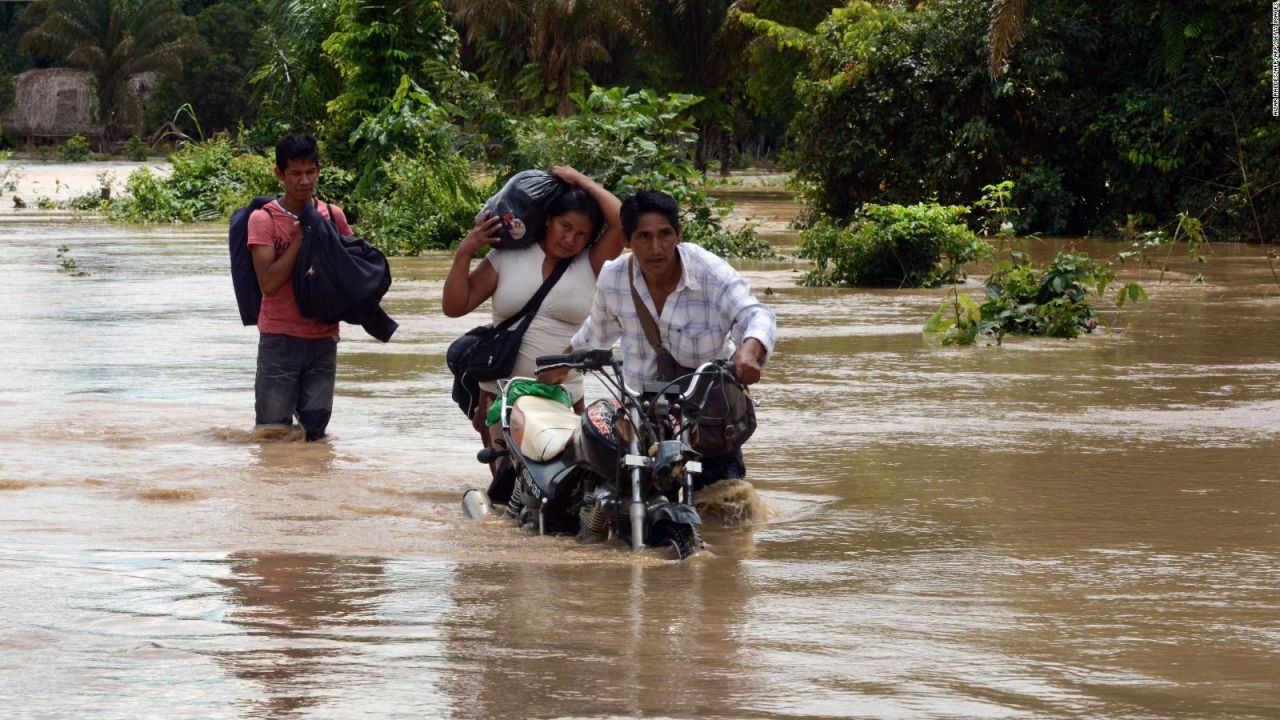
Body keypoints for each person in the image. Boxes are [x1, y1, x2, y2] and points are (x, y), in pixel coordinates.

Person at [557, 189, 776, 486]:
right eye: (643, 237)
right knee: (613, 499)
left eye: (665, 235)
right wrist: (558, 366)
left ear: (678, 234)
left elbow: (755, 314)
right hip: (643, 418)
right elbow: (595, 334)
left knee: (727, 510)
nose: (656, 247)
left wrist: (749, 351)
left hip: (707, 421)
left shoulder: (708, 271)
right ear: (626, 241)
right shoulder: (614, 278)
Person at [442, 166, 625, 446]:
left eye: (581, 235)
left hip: (563, 393)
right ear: (549, 220)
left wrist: (579, 180)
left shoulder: (591, 262)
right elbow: (455, 307)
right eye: (565, 227)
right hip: (499, 391)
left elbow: (622, 222)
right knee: (504, 484)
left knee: (566, 477)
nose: (570, 239)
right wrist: (465, 252)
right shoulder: (506, 257)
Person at [247, 133, 352, 441]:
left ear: (319, 170)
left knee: (316, 436)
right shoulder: (263, 219)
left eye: (310, 172)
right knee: (273, 432)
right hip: (279, 339)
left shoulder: (333, 215)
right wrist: (298, 241)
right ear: (279, 173)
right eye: (295, 173)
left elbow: (349, 269)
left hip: (323, 339)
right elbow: (268, 283)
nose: (304, 180)